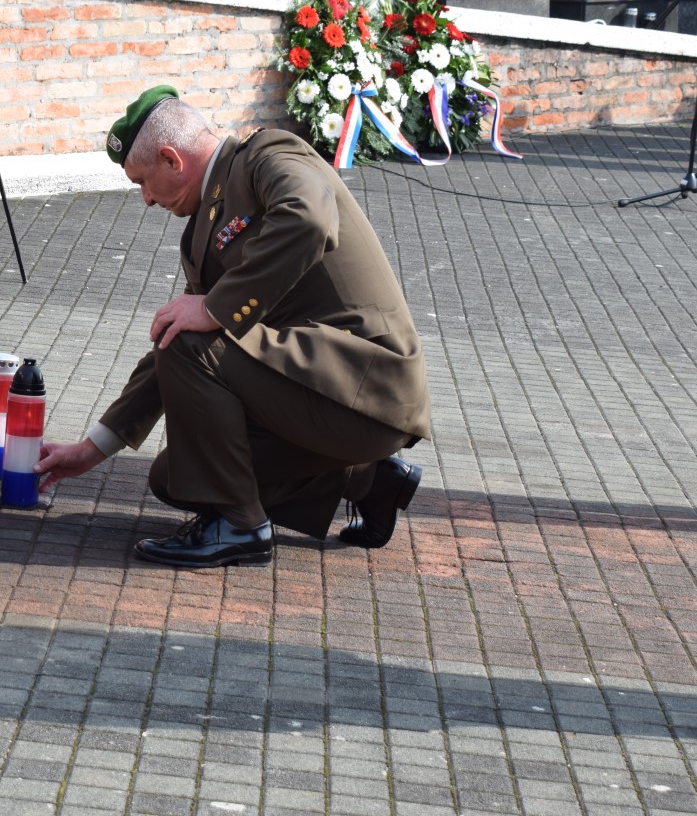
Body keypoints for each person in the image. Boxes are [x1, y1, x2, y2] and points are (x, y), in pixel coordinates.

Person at [34, 89, 432, 569]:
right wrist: (92, 449)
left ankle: (241, 528)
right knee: (176, 478)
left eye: (143, 182)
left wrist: (216, 308)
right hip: (321, 396)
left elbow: (308, 218)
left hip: (369, 388)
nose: (145, 199)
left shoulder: (268, 155)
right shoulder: (199, 233)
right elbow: (173, 345)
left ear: (171, 159)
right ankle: (368, 479)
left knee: (192, 342)